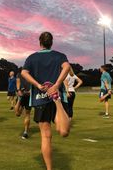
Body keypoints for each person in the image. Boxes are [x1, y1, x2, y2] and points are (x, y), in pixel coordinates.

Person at [21, 32, 71, 170]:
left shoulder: (32, 58)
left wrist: (37, 85)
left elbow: (24, 73)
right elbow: (67, 67)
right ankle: (57, 101)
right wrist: (56, 85)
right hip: (56, 95)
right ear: (52, 42)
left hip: (40, 99)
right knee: (64, 132)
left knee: (46, 136)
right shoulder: (59, 55)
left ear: (40, 42)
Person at [14, 70, 32, 139]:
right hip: (23, 94)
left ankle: (25, 132)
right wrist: (19, 91)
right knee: (18, 114)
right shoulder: (21, 74)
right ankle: (19, 98)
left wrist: (19, 90)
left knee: (27, 114)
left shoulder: (20, 74)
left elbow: (18, 82)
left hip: (26, 95)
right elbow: (18, 82)